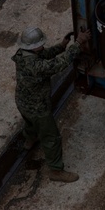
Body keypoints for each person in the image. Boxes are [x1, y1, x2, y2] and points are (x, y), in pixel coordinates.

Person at [12, 27, 87, 183]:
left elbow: (44, 54)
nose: (43, 45)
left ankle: (29, 140)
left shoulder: (23, 53)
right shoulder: (35, 66)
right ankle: (56, 170)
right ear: (34, 46)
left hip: (22, 101)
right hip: (38, 107)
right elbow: (58, 64)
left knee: (30, 123)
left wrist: (61, 46)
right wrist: (78, 43)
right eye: (41, 43)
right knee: (51, 137)